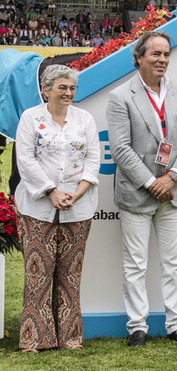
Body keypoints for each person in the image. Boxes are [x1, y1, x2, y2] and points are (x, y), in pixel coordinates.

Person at [107, 31, 177, 346]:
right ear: (139, 58)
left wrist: (171, 177)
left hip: (173, 191)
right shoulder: (121, 96)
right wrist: (152, 183)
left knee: (173, 262)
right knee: (135, 263)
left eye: (166, 54)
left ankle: (176, 324)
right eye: (155, 54)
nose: (162, 60)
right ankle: (137, 327)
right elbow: (120, 149)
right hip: (137, 193)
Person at [15, 65, 99, 352]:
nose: (68, 93)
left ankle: (70, 337)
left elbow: (93, 161)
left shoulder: (84, 119)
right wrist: (51, 191)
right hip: (37, 207)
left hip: (79, 206)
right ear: (46, 89)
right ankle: (34, 338)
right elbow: (25, 160)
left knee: (70, 274)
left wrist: (76, 193)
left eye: (72, 88)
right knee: (38, 273)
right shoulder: (30, 118)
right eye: (62, 87)